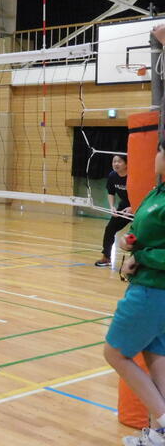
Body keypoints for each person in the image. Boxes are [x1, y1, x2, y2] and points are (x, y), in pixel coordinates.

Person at [104, 139, 165, 446]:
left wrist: (141, 256)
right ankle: (158, 435)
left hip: (153, 291)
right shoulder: (157, 192)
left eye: (160, 151)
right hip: (149, 285)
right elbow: (144, 234)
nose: (156, 156)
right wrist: (131, 243)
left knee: (114, 353)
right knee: (157, 358)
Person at [96, 154, 132, 267]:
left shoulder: (133, 175)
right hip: (124, 207)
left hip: (139, 206)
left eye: (119, 161)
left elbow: (144, 194)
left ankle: (138, 261)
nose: (116, 164)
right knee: (110, 229)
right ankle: (106, 257)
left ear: (126, 164)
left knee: (139, 232)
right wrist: (112, 207)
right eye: (114, 161)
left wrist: (134, 207)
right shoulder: (112, 176)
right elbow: (111, 193)